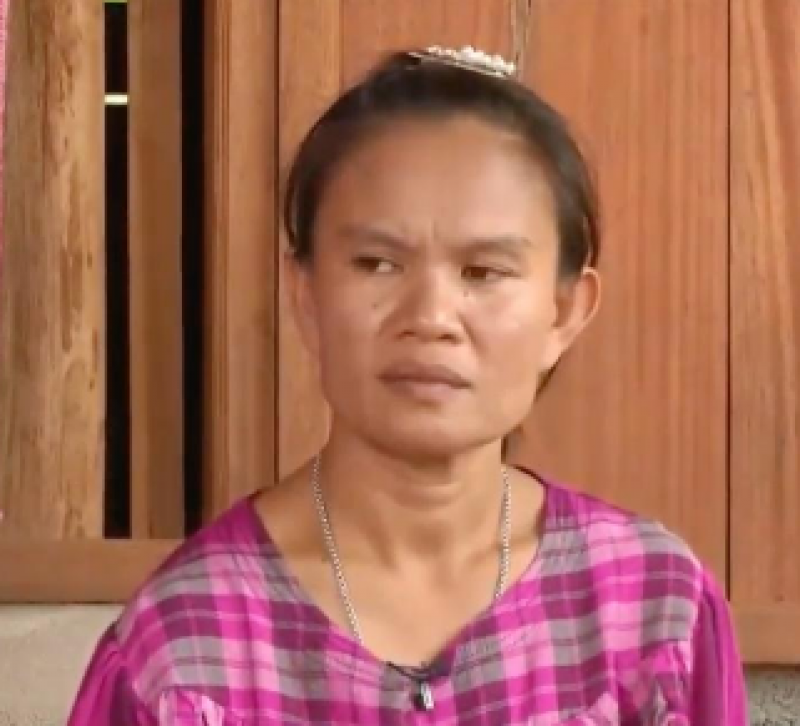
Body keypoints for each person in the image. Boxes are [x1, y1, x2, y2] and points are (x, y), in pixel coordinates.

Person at [68, 46, 747, 725]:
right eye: (377, 263)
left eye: (483, 272)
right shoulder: (182, 647)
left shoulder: (653, 609)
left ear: (564, 311)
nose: (430, 317)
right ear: (305, 296)